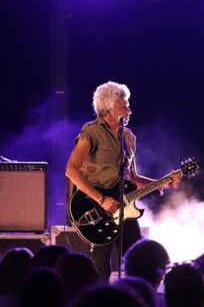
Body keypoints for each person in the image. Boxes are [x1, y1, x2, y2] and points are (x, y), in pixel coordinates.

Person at [65, 81, 181, 281]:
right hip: (97, 208)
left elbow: (133, 180)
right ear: (109, 108)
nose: (129, 110)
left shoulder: (128, 137)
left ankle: (136, 295)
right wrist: (102, 199)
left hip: (125, 209)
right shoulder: (91, 132)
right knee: (101, 269)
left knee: (138, 263)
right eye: (124, 106)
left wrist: (163, 182)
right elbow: (71, 171)